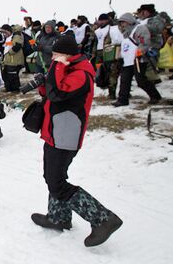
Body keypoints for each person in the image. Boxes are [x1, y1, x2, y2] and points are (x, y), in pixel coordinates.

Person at [30, 35, 122, 247]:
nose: (53, 59)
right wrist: (42, 83)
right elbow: (52, 93)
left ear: (67, 55)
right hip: (56, 130)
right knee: (53, 175)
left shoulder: (81, 73)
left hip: (66, 134)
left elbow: (59, 93)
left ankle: (103, 219)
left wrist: (56, 68)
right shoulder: (70, 69)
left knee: (56, 181)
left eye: (56, 55)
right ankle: (58, 217)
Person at [112, 13, 162, 107]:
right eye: (121, 23)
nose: (122, 25)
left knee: (141, 80)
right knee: (124, 80)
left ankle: (155, 96)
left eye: (123, 22)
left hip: (138, 59)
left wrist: (140, 52)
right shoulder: (126, 33)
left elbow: (145, 42)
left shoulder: (140, 28)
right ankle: (122, 100)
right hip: (127, 60)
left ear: (129, 21)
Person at [0, 25, 24, 92]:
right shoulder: (9, 37)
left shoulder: (16, 36)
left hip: (14, 60)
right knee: (6, 75)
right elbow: (12, 43)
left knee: (13, 76)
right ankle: (8, 88)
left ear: (8, 31)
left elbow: (17, 45)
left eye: (5, 32)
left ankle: (15, 89)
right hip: (8, 60)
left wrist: (10, 52)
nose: (4, 34)